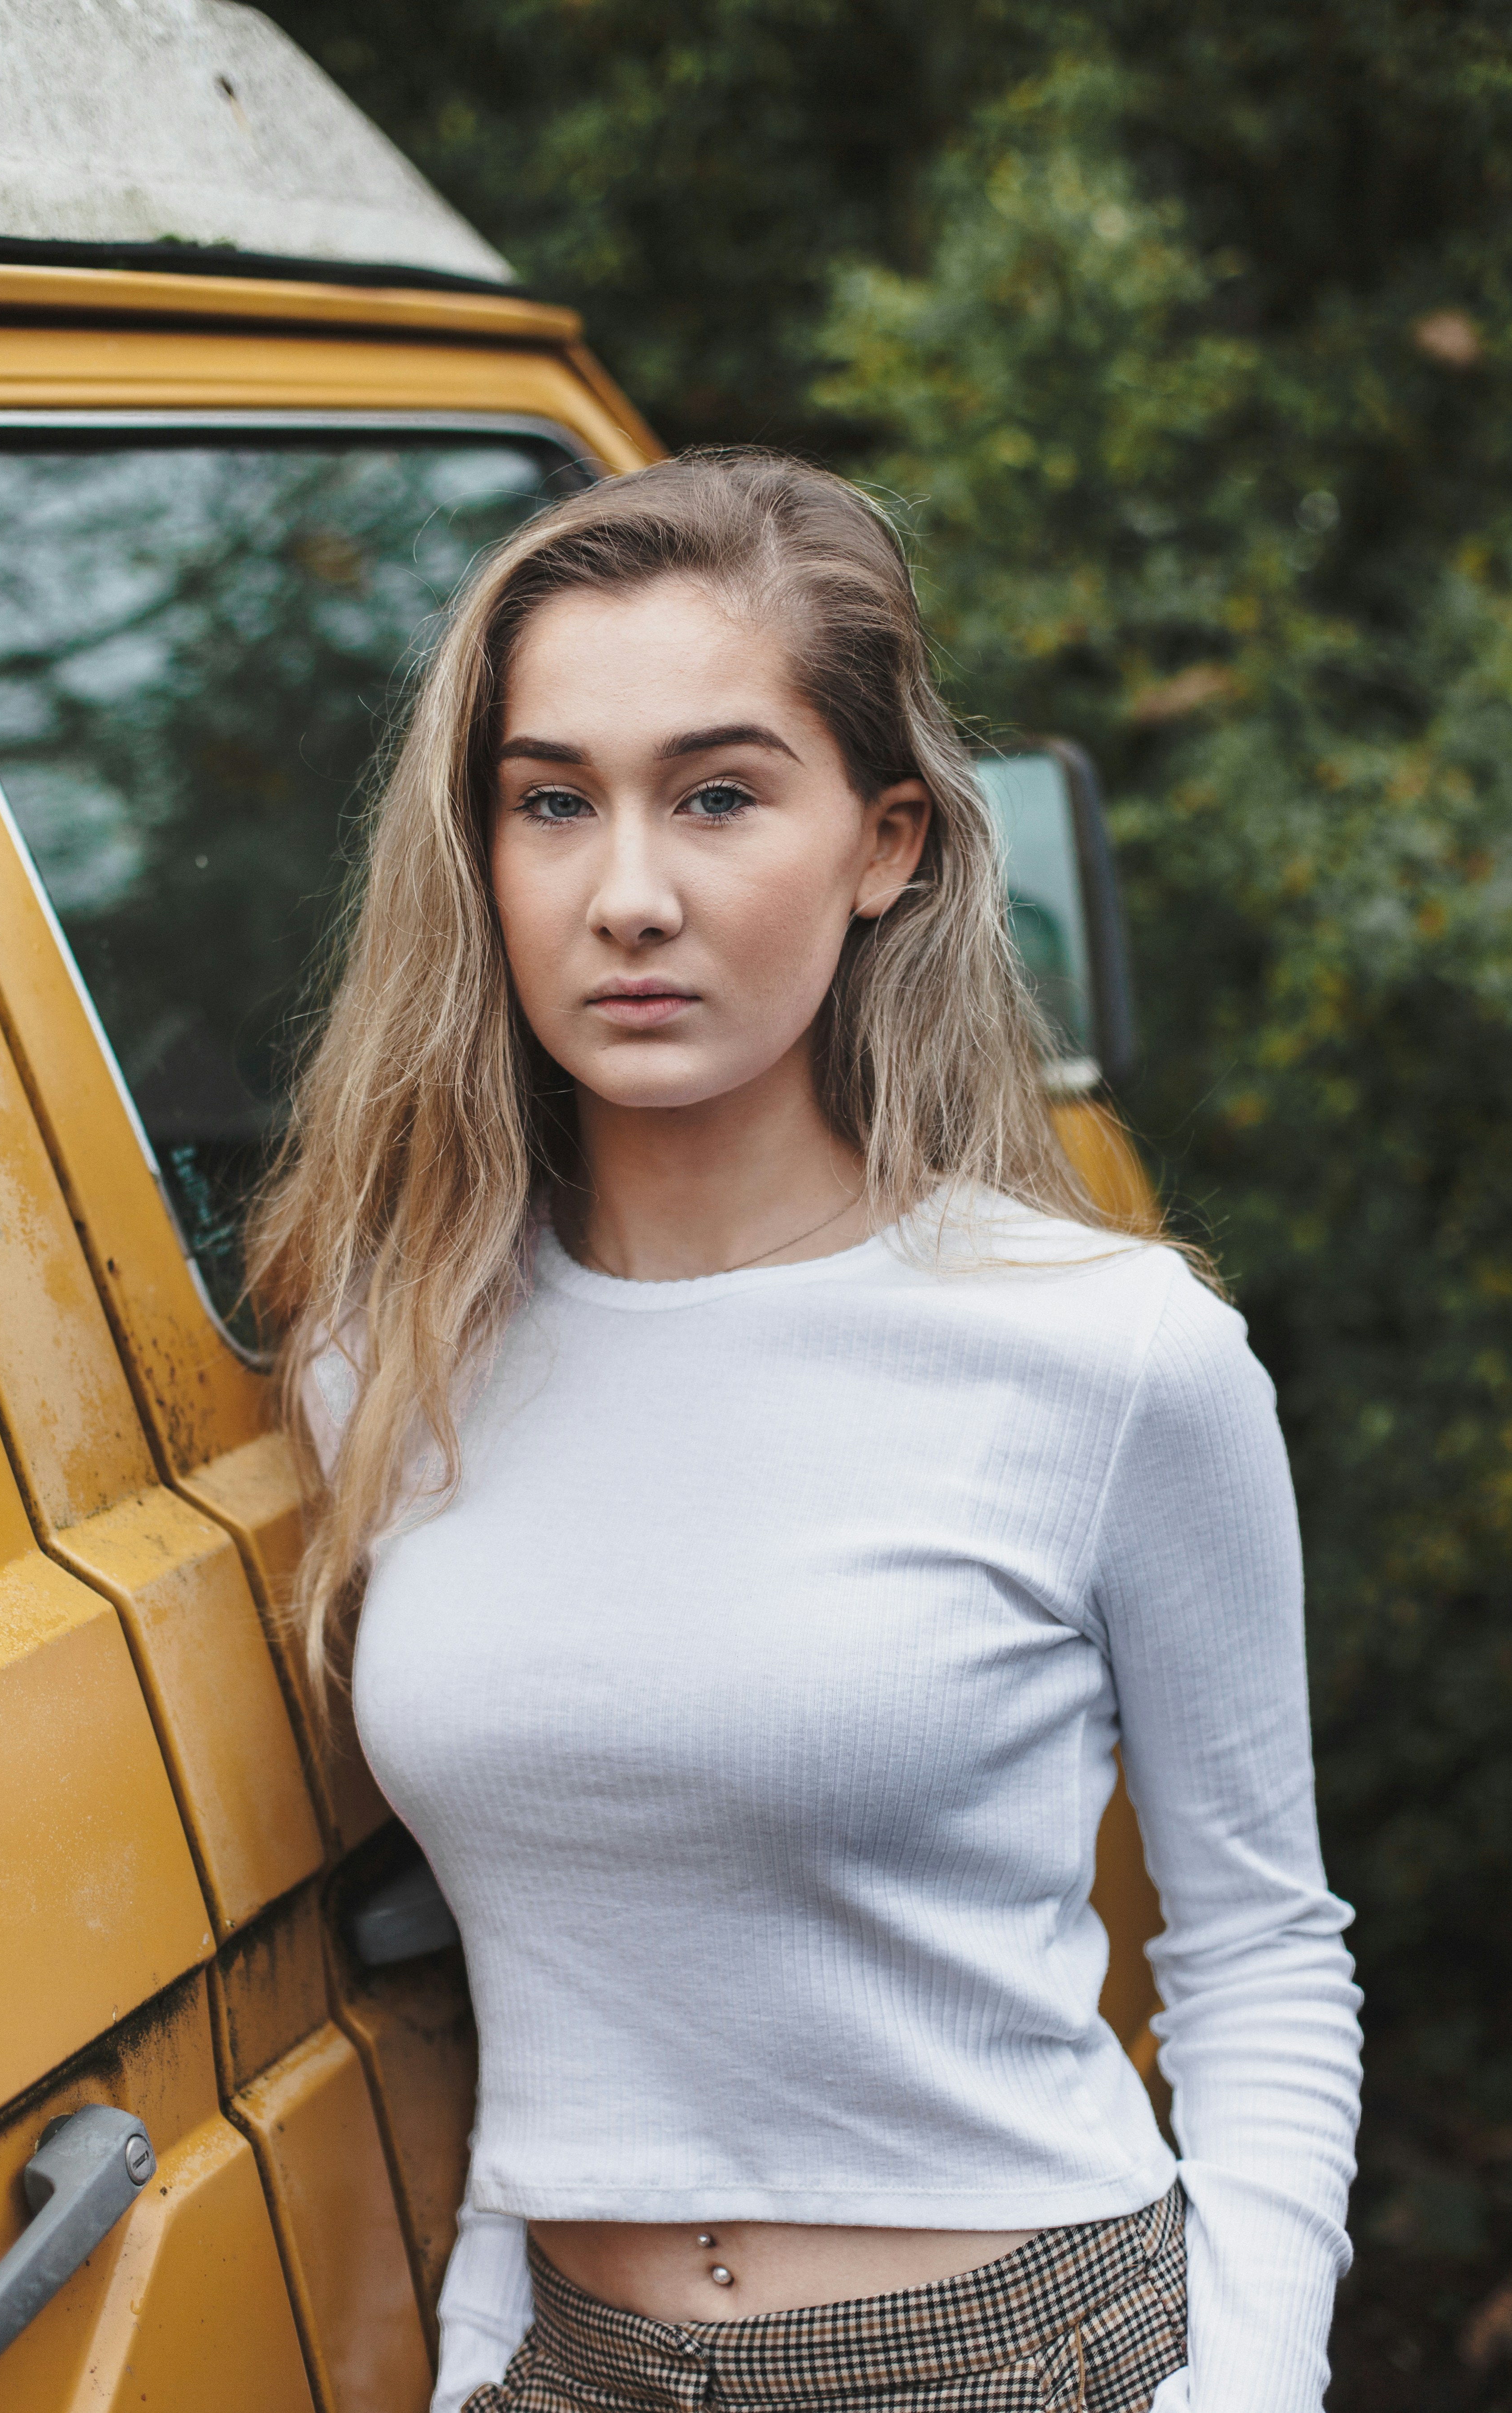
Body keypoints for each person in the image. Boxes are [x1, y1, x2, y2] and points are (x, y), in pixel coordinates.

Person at [250, 453, 1362, 2413]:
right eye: (551, 803)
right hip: (577, 2364)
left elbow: (1262, 1947)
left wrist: (1248, 2393)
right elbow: (572, 1972)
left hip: (1016, 2358)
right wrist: (486, 2358)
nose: (630, 894)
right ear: (482, 848)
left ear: (890, 843)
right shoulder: (389, 1352)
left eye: (719, 793)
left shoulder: (1109, 1356)